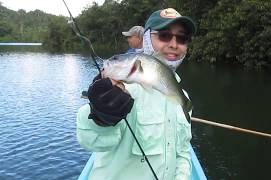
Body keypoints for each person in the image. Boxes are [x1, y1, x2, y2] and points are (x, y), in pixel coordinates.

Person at [77, 8, 196, 180]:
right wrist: (100, 117)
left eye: (182, 38)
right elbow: (90, 140)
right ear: (146, 39)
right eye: (164, 35)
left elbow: (183, 151)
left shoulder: (182, 96)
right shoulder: (121, 88)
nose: (174, 44)